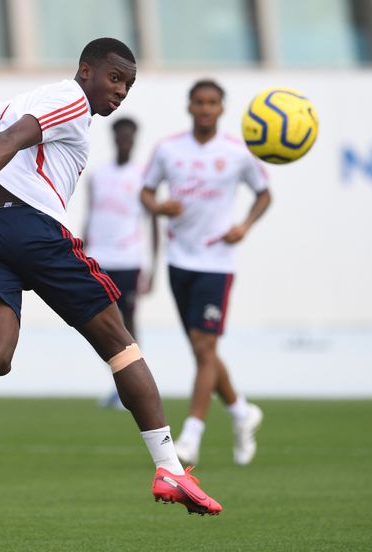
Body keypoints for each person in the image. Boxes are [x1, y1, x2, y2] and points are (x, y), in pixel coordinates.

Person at [0, 38, 221, 515]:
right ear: (86, 70)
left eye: (128, 84)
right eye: (114, 77)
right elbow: (9, 141)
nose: (121, 90)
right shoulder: (69, 98)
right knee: (121, 346)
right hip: (30, 227)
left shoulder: (26, 101)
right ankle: (169, 467)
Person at [141, 79, 271, 467]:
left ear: (222, 108)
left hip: (217, 262)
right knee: (203, 349)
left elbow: (264, 193)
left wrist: (245, 225)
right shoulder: (168, 148)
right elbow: (146, 192)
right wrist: (159, 207)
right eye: (199, 102)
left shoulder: (237, 153)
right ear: (189, 106)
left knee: (204, 349)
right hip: (179, 260)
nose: (205, 109)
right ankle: (241, 412)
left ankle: (191, 437)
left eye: (212, 103)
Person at [83, 118, 157, 409]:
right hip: (100, 259)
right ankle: (120, 386)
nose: (124, 141)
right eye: (120, 136)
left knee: (128, 324)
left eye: (129, 137)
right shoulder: (98, 175)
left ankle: (136, 387)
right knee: (101, 325)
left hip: (129, 260)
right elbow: (90, 217)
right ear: (113, 138)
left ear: (134, 139)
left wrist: (152, 268)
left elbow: (153, 224)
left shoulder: (143, 176)